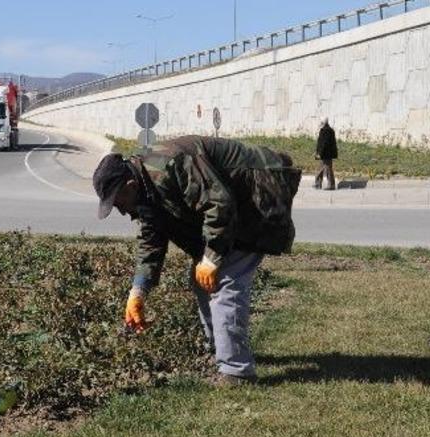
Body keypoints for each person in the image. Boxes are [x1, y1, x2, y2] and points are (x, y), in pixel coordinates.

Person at [93, 136, 301, 385]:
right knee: (201, 278)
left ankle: (236, 372)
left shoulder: (173, 164)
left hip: (259, 191)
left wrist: (212, 258)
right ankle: (221, 351)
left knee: (225, 279)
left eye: (118, 202)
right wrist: (138, 290)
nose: (121, 210)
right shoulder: (144, 189)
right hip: (234, 204)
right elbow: (151, 240)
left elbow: (219, 205)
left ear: (129, 185)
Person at [314, 117, 337, 190]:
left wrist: (319, 153)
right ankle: (318, 183)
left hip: (326, 154)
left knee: (328, 170)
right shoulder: (329, 130)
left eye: (321, 122)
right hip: (326, 153)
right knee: (321, 169)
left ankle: (331, 185)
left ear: (323, 123)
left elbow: (324, 144)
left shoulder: (325, 131)